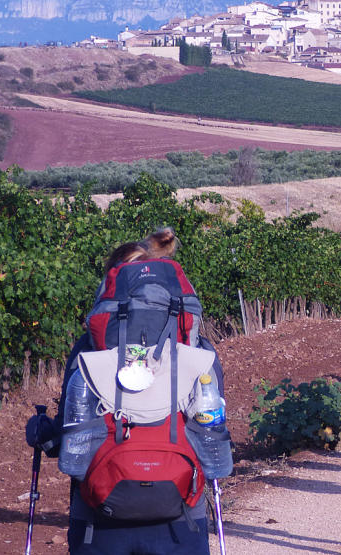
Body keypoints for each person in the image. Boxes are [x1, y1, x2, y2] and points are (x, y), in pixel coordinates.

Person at [24, 229, 227, 554]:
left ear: (112, 287)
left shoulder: (88, 352)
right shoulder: (196, 349)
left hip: (100, 521)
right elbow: (212, 427)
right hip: (181, 518)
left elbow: (66, 440)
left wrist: (43, 434)